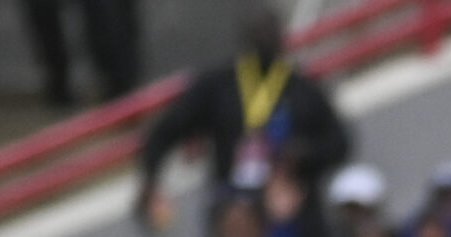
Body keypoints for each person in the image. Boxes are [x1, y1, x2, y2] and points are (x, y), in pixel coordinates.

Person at [135, 9, 349, 225]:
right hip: (233, 218)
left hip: (294, 213)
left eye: (270, 34)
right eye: (258, 35)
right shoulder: (219, 86)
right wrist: (151, 179)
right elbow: (167, 129)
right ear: (245, 41)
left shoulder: (304, 90)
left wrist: (305, 154)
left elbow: (340, 143)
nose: (264, 41)